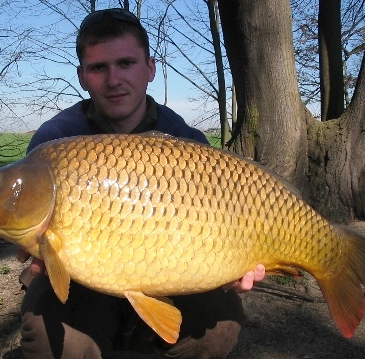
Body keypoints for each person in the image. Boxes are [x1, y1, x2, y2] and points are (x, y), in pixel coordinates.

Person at [16, 8, 266, 359]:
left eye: (126, 63)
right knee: (52, 340)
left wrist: (234, 263)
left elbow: (224, 220)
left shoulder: (185, 139)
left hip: (174, 270)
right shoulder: (55, 141)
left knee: (219, 327)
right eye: (98, 68)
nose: (113, 79)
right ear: (82, 76)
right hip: (84, 282)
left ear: (150, 68)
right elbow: (34, 237)